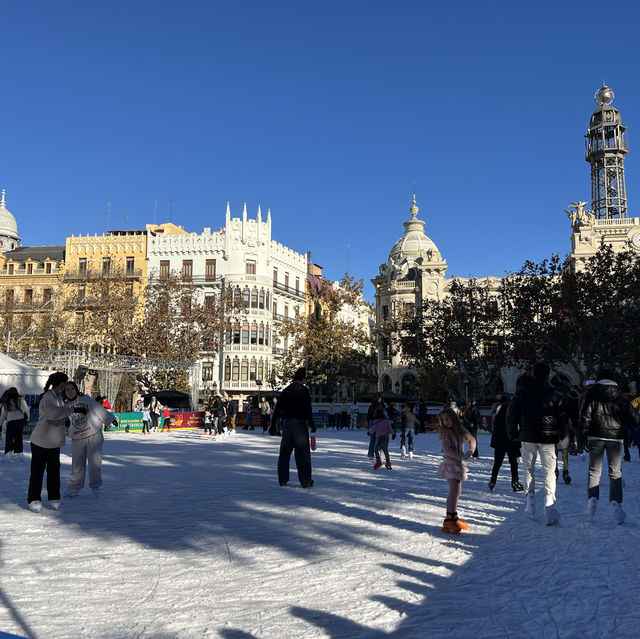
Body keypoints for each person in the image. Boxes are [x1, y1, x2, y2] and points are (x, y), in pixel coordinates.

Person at [506, 362, 568, 525]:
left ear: (533, 374)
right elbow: (562, 419)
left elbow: (512, 415)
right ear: (548, 375)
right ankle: (549, 504)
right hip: (548, 438)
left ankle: (530, 500)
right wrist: (562, 436)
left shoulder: (521, 393)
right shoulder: (555, 394)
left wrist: (512, 434)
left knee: (529, 469)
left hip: (527, 435)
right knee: (549, 471)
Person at [579, 369, 640, 524]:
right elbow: (635, 417)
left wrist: (583, 436)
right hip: (615, 437)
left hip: (595, 436)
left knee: (594, 471)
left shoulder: (592, 393)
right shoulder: (620, 395)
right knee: (615, 472)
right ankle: (616, 503)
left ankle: (592, 499)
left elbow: (584, 416)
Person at [27, 372, 87, 513]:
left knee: (54, 472)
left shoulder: (59, 396)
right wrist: (72, 409)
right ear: (61, 384)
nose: (66, 386)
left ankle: (54, 497)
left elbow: (64, 409)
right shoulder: (49, 397)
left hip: (53, 442)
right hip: (40, 441)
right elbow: (52, 414)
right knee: (37, 472)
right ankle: (33, 499)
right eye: (65, 384)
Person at [63, 381, 115, 497]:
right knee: (77, 463)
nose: (70, 391)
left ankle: (96, 486)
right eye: (67, 390)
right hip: (77, 436)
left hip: (93, 434)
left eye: (72, 389)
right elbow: (62, 420)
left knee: (94, 461)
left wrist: (110, 418)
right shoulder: (64, 405)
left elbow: (98, 409)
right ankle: (74, 488)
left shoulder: (85, 399)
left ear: (76, 389)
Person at [269, 367, 315, 488]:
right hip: (300, 424)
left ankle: (282, 479)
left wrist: (273, 425)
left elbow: (277, 409)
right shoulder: (304, 390)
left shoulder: (286, 390)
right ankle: (305, 480)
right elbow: (308, 409)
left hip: (287, 424)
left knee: (284, 453)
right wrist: (312, 424)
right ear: (303, 378)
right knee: (302, 454)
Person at [437, 407, 476, 535]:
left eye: (447, 418)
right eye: (443, 420)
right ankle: (449, 519)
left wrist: (470, 451)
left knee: (457, 491)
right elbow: (448, 450)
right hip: (450, 464)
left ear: (453, 417)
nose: (446, 422)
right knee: (454, 491)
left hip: (458, 464)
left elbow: (472, 439)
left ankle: (453, 517)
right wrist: (462, 457)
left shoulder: (461, 429)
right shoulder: (445, 433)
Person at [488, 394, 523, 492]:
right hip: (511, 441)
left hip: (500, 442)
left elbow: (494, 430)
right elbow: (518, 427)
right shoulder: (513, 412)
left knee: (497, 463)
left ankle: (493, 480)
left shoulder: (498, 414)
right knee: (513, 463)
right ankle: (515, 482)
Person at [0, 387, 30, 460]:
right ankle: (19, 453)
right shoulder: (21, 400)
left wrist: (0, 424)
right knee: (18, 437)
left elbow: (3, 414)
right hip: (20, 421)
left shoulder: (6, 401)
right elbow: (26, 410)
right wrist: (27, 419)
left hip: (11, 421)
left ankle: (8, 453)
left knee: (9, 438)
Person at [366, 394, 386, 460]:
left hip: (372, 422)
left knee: (372, 439)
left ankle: (371, 454)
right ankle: (381, 454)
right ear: (379, 398)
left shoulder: (371, 406)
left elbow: (368, 415)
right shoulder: (382, 405)